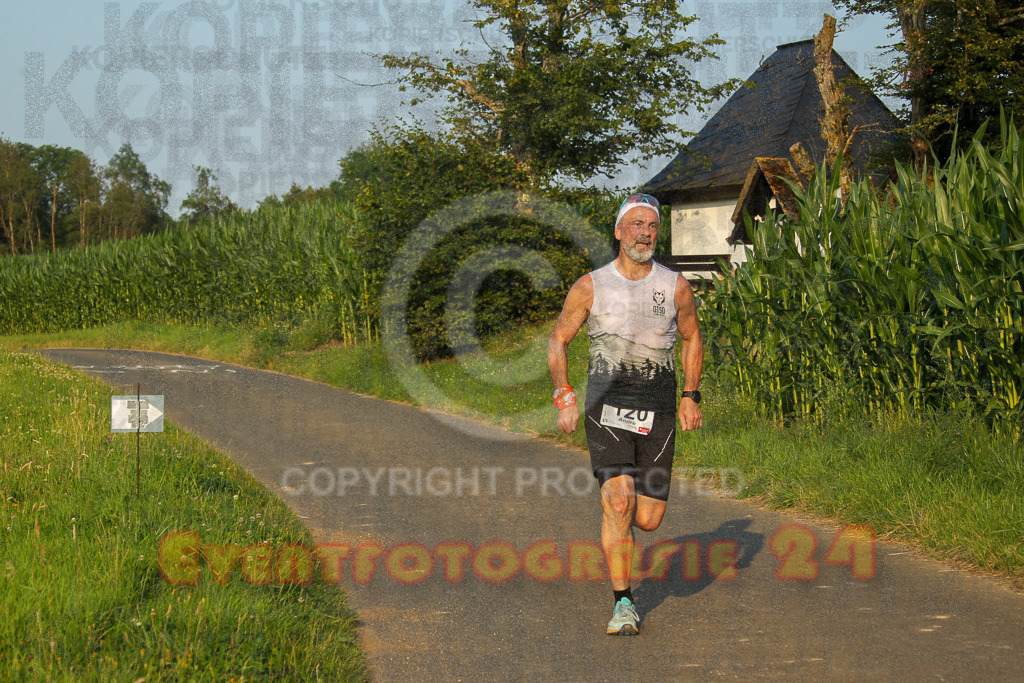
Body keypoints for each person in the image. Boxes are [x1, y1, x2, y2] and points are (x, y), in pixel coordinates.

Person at [547, 192, 703, 635]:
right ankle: (623, 603)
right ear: (618, 231)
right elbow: (559, 339)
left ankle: (618, 509)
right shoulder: (591, 285)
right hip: (606, 408)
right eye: (635, 224)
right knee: (619, 501)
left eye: (651, 226)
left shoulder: (674, 286)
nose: (644, 233)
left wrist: (690, 395)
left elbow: (692, 338)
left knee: (648, 519)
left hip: (659, 410)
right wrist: (564, 394)